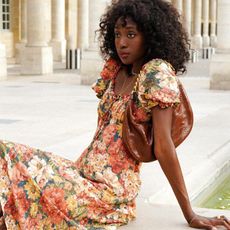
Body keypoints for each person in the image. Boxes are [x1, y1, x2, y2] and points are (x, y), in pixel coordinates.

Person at [0, 0, 229, 229]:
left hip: (109, 193)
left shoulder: (156, 73)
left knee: (7, 155)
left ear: (150, 36)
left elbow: (164, 146)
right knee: (9, 172)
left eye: (131, 34)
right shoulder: (116, 70)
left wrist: (190, 214)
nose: (122, 43)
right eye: (118, 34)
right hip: (80, 174)